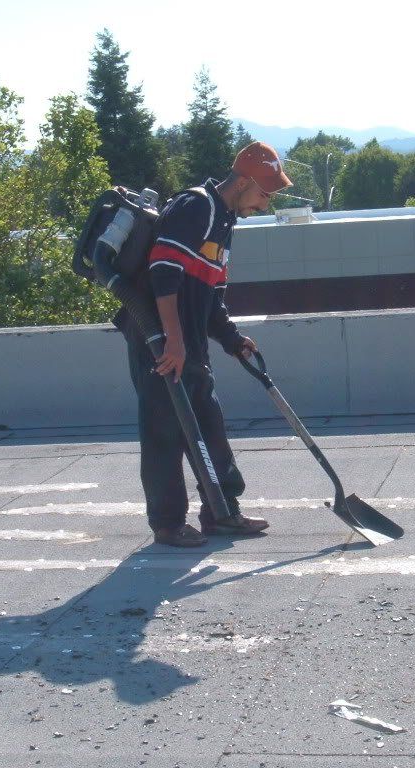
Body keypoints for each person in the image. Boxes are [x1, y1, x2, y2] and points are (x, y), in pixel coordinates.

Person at [116, 141, 293, 547]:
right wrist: (172, 342)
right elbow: (163, 271)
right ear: (244, 180)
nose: (265, 205)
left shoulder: (223, 222)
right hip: (157, 335)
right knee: (164, 429)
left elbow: (210, 296)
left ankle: (222, 512)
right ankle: (167, 524)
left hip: (188, 337)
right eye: (264, 194)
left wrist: (231, 338)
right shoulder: (197, 207)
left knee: (208, 422)